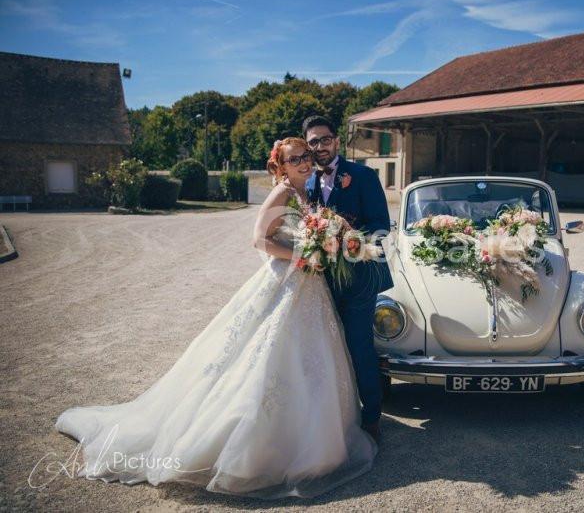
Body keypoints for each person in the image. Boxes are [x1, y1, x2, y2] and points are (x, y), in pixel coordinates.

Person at [54, 137, 378, 499]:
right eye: (294, 159)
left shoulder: (307, 195)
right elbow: (259, 239)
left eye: (305, 156)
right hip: (286, 283)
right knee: (266, 356)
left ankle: (313, 434)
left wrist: (326, 246)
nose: (303, 162)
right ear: (281, 166)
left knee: (308, 360)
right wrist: (303, 253)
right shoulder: (282, 194)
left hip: (309, 288)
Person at [303, 115, 394, 442]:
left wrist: (345, 239)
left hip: (360, 279)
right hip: (321, 282)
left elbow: (381, 224)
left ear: (337, 141)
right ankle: (336, 416)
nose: (319, 147)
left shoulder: (363, 175)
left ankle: (372, 418)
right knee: (325, 347)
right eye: (313, 142)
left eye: (324, 139)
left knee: (358, 346)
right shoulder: (308, 181)